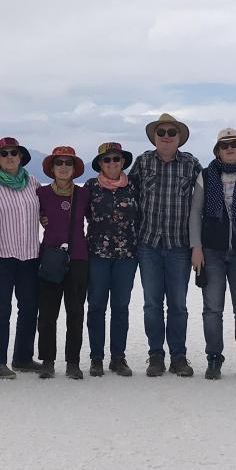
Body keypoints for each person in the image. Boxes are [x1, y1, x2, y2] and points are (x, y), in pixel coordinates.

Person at [128, 113, 202, 377]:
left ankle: (179, 357)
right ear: (155, 137)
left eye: (172, 132)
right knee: (151, 303)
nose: (167, 136)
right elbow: (128, 197)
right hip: (148, 243)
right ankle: (156, 355)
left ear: (179, 137)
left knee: (178, 304)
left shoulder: (191, 164)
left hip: (179, 245)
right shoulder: (143, 162)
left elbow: (206, 199)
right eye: (162, 132)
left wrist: (199, 243)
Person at [189, 128, 236, 380]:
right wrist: (196, 247)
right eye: (225, 145)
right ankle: (214, 357)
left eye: (235, 144)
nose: (230, 148)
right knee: (212, 308)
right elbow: (195, 214)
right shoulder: (206, 176)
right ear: (218, 151)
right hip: (211, 252)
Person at [0, 137, 43, 379]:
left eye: (14, 153)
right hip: (0, 256)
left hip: (29, 255)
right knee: (0, 309)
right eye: (4, 154)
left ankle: (23, 357)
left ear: (21, 156)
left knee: (29, 308)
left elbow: (43, 213)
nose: (9, 157)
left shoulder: (33, 182)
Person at [34, 146, 91, 379]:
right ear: (52, 168)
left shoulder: (84, 194)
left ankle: (73, 361)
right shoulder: (41, 194)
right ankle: (47, 360)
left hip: (78, 258)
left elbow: (97, 220)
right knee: (47, 313)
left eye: (68, 163)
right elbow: (29, 216)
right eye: (59, 163)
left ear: (75, 169)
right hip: (50, 257)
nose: (64, 167)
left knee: (75, 312)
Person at [84, 142, 139, 377]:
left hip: (127, 255)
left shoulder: (134, 186)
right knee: (96, 306)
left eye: (116, 159)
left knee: (120, 307)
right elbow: (78, 216)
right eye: (107, 160)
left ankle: (118, 357)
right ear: (100, 164)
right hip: (97, 255)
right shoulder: (90, 187)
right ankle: (96, 357)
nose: (112, 163)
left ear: (123, 162)